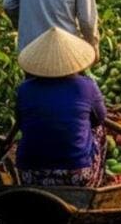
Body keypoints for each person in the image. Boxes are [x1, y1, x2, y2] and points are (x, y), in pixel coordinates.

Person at [15, 27, 106, 188]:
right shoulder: (87, 86)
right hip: (76, 175)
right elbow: (100, 118)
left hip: (30, 174)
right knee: (100, 130)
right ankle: (95, 184)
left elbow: (21, 122)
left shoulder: (24, 89)